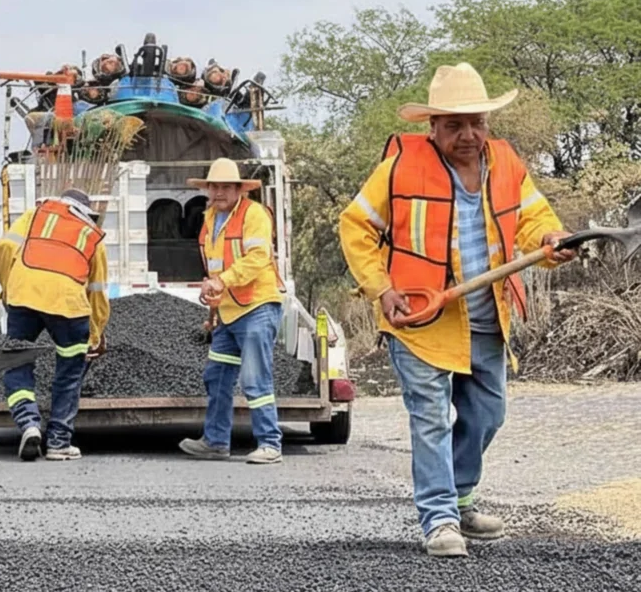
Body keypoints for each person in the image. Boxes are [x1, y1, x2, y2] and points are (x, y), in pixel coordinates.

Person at [338, 62, 575, 557]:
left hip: (488, 316)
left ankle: (461, 497)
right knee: (430, 419)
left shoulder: (506, 162)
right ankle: (439, 519)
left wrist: (552, 240)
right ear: (432, 127)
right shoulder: (400, 167)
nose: (468, 135)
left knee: (488, 414)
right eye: (453, 125)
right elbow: (355, 226)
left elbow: (535, 218)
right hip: (419, 319)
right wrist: (381, 289)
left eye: (476, 122)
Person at [178, 158, 287, 465]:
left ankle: (269, 443)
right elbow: (215, 267)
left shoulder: (254, 215)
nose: (219, 191)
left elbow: (257, 258)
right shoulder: (210, 218)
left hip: (257, 307)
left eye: (226, 186)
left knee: (255, 379)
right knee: (217, 376)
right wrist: (213, 313)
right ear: (208, 190)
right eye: (215, 186)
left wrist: (221, 281)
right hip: (227, 313)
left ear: (239, 189)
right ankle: (215, 442)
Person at [0, 187, 110, 462]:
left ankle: (29, 424)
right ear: (86, 212)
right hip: (68, 306)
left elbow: (6, 247)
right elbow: (97, 291)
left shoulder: (36, 215)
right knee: (69, 373)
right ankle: (58, 442)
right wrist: (96, 333)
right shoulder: (92, 235)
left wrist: (7, 289)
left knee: (17, 361)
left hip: (23, 296)